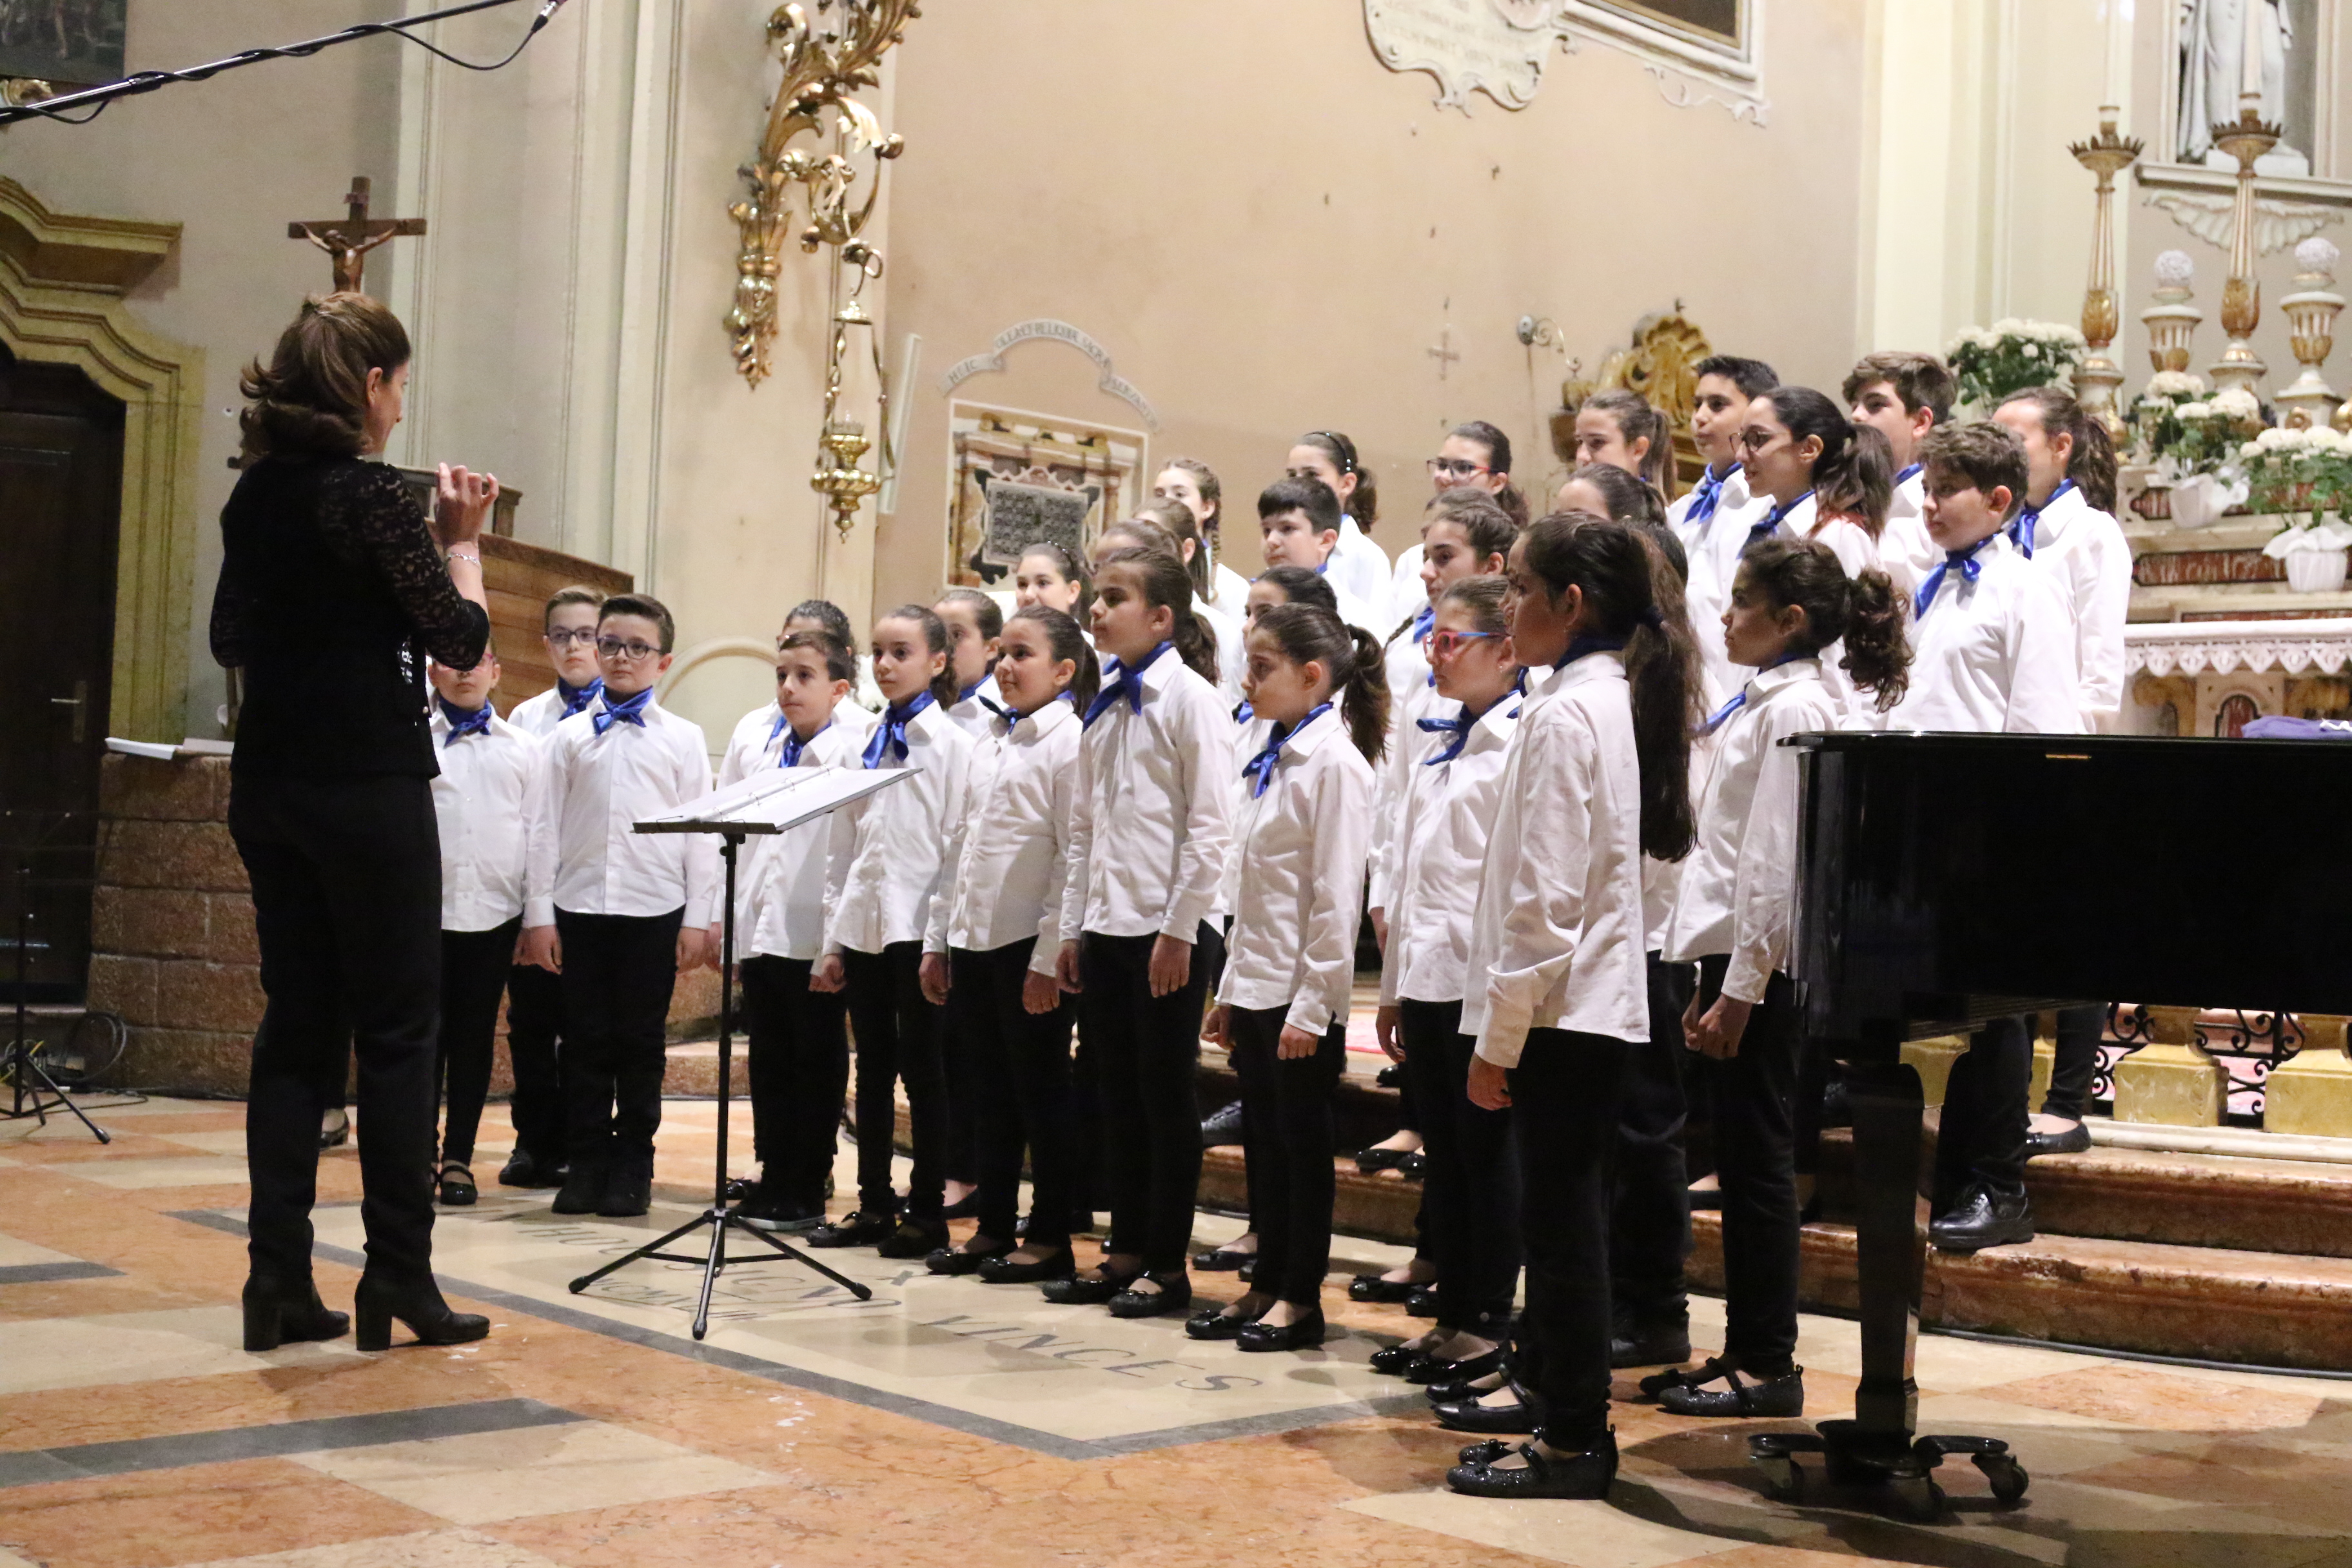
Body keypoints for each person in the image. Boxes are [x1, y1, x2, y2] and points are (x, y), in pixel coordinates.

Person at [213, 293, 495, 1355]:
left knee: (295, 1027)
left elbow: (227, 634)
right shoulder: (374, 498)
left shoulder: (256, 497)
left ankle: (276, 1280)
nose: (399, 409)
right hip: (366, 782)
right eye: (399, 387)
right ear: (370, 386)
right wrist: (458, 543)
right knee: (397, 1029)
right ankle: (398, 1277)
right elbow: (457, 639)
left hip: (271, 784)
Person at [1447, 513, 1699, 1501]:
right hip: (1592, 1007)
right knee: (1570, 1226)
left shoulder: (1562, 714)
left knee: (1560, 1237)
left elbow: (1545, 900)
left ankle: (1572, 1440)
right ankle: (1568, 1426)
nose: (1506, 607)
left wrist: (1497, 1038)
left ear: (1573, 603)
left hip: (1560, 1012)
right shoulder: (1610, 697)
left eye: (1518, 589)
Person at [1649, 537, 1910, 1420]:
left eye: (1741, 602)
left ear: (1789, 621)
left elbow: (1772, 863)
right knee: (1744, 1154)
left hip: (1765, 968)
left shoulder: (1795, 707)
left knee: (1759, 1166)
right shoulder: (1779, 700)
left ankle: (1767, 1361)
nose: (1724, 617)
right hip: (1742, 962)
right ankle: (1746, 1349)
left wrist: (1740, 987)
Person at [1882, 422, 2081, 1255]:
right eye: (1924, 490)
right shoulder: (1934, 587)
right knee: (1951, 1010)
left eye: (1946, 492)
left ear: (1999, 502)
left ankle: (1998, 1186)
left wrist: (2011, 832)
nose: (1927, 506)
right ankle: (1954, 1170)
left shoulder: (2024, 589)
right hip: (1923, 815)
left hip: (1987, 820)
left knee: (1998, 1015)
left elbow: (2039, 719)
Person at [1192, 604, 1384, 1352]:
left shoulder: (1337, 765)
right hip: (1261, 981)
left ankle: (1299, 1295)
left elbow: (1337, 898)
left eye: (1262, 665)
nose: (1248, 678)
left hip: (1304, 994)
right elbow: (1252, 888)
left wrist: (1313, 1007)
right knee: (1267, 1146)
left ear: (1312, 675)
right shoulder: (1274, 752)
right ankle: (1265, 1282)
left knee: (1302, 1151)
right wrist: (1232, 993)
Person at [1048, 546, 1231, 1318]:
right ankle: (1124, 1247)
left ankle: (1167, 1260)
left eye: (1113, 597)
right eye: (1095, 596)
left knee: (1163, 1095)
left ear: (1161, 617)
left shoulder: (1191, 701)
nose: (1095, 609)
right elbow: (1087, 829)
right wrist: (1072, 927)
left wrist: (1180, 928)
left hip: (1170, 929)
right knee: (1114, 1093)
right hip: (1110, 923)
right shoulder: (1103, 704)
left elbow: (1212, 827)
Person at [1369, 576, 1522, 1401]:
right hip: (1427, 976)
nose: (1436, 650)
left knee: (1484, 1159)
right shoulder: (1443, 743)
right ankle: (1450, 1312)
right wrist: (1392, 988)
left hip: (1478, 982)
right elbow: (1413, 875)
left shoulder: (1517, 744)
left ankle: (1486, 1322)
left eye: (1453, 639)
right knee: (1448, 1165)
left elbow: (1504, 885)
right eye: (1433, 634)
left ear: (1506, 650)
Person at [524, 594, 716, 1220]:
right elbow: (543, 827)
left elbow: (699, 834)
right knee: (581, 1042)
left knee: (639, 1042)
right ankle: (584, 1163)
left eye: (637, 647)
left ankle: (633, 1165)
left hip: (653, 908)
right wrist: (539, 914)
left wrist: (695, 919)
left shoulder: (684, 739)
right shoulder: (566, 736)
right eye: (610, 644)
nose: (621, 656)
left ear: (662, 661)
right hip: (579, 906)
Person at [921, 607, 1099, 1282]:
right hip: (974, 938)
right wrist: (939, 939)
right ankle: (994, 1224)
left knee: (1041, 1095)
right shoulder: (988, 739)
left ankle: (1049, 1231)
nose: (1005, 664)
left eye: (1023, 653)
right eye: (1001, 651)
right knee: (987, 1093)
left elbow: (1072, 852)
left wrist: (1050, 953)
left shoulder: (1069, 741)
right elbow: (959, 846)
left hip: (1026, 943)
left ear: (1062, 669)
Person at [808, 607, 978, 1258]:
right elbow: (842, 848)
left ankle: (927, 1207)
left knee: (925, 1072)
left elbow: (954, 847)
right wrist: (832, 940)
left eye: (901, 652)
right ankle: (874, 1201)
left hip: (919, 928)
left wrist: (938, 939)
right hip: (866, 924)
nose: (885, 664)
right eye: (878, 651)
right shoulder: (862, 741)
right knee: (872, 1069)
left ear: (938, 661)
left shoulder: (956, 747)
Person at [1990, 387, 2132, 1161]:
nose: (2007, 450)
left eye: (2019, 437)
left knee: (2071, 927)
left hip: (2066, 751)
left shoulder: (2091, 534)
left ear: (2064, 445)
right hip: (2012, 751)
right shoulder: (2012, 531)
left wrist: (2075, 757)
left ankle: (2068, 1099)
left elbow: (2098, 663)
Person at [724, 629, 862, 1233]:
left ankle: (808, 1178)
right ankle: (774, 1170)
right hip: (763, 924)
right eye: (781, 675)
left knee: (815, 1055)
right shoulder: (765, 744)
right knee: (769, 1057)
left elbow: (851, 851)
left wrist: (838, 941)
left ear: (838, 688)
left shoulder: (854, 750)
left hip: (814, 929)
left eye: (804, 676)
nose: (787, 688)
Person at [424, 647, 543, 1209]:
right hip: (424, 912)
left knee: (473, 1039)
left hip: (494, 914)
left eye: (480, 661)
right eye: (453, 660)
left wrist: (534, 916)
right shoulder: (412, 737)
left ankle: (458, 1158)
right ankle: (415, 1150)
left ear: (498, 671)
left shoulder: (524, 748)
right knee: (421, 1036)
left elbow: (537, 835)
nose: (466, 670)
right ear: (432, 672)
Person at [499, 585, 608, 1189]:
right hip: (536, 893)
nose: (575, 646)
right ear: (545, 646)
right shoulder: (526, 718)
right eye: (562, 635)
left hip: (593, 892)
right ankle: (532, 1140)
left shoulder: (623, 713)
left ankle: (582, 1140)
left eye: (587, 634)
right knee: (532, 1025)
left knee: (589, 1029)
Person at [1736, 387, 1886, 725]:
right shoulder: (1763, 526)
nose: (1743, 455)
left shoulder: (1839, 536)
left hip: (1817, 724)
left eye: (1757, 439)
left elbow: (1854, 655)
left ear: (1809, 448)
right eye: (1741, 440)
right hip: (1767, 710)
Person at [1672, 357, 1779, 710]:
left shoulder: (1765, 507)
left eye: (1717, 405)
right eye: (1697, 404)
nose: (1700, 416)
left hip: (1735, 686)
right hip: (1683, 686)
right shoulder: (1682, 509)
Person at [1845, 351, 1957, 598]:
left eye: (1875, 405)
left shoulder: (1942, 510)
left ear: (1920, 422)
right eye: (1854, 406)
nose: (1856, 416)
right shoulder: (1845, 497)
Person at [1394, 421, 1525, 623]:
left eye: (1464, 467)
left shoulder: (1520, 557)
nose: (1445, 477)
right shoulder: (1411, 559)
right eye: (1442, 465)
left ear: (1497, 482)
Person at [1258, 476, 1384, 635]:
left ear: (1326, 540)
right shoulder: (1254, 612)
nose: (1271, 541)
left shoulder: (1357, 620)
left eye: (1287, 528)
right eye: (1266, 530)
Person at [1286, 429, 1392, 610]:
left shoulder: (1366, 556)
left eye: (1312, 474)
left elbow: (1375, 628)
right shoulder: (1285, 542)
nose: (1298, 484)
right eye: (1291, 476)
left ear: (1347, 484)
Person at [1155, 456, 1251, 619]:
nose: (1167, 502)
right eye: (1159, 495)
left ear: (1206, 507)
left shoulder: (1231, 587)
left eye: (1179, 494)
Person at [937, 587, 1007, 740]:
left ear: (991, 648)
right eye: (937, 634)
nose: (944, 647)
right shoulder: (913, 707)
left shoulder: (1005, 717)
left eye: (957, 635)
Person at [1572, 389, 1671, 492]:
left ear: (1638, 450)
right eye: (1580, 442)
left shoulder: (1651, 507)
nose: (1582, 456)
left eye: (1598, 442)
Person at [1012, 541, 1091, 623]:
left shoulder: (1082, 636)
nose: (1029, 594)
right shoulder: (1006, 634)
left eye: (1042, 583)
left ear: (1072, 592)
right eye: (1022, 585)